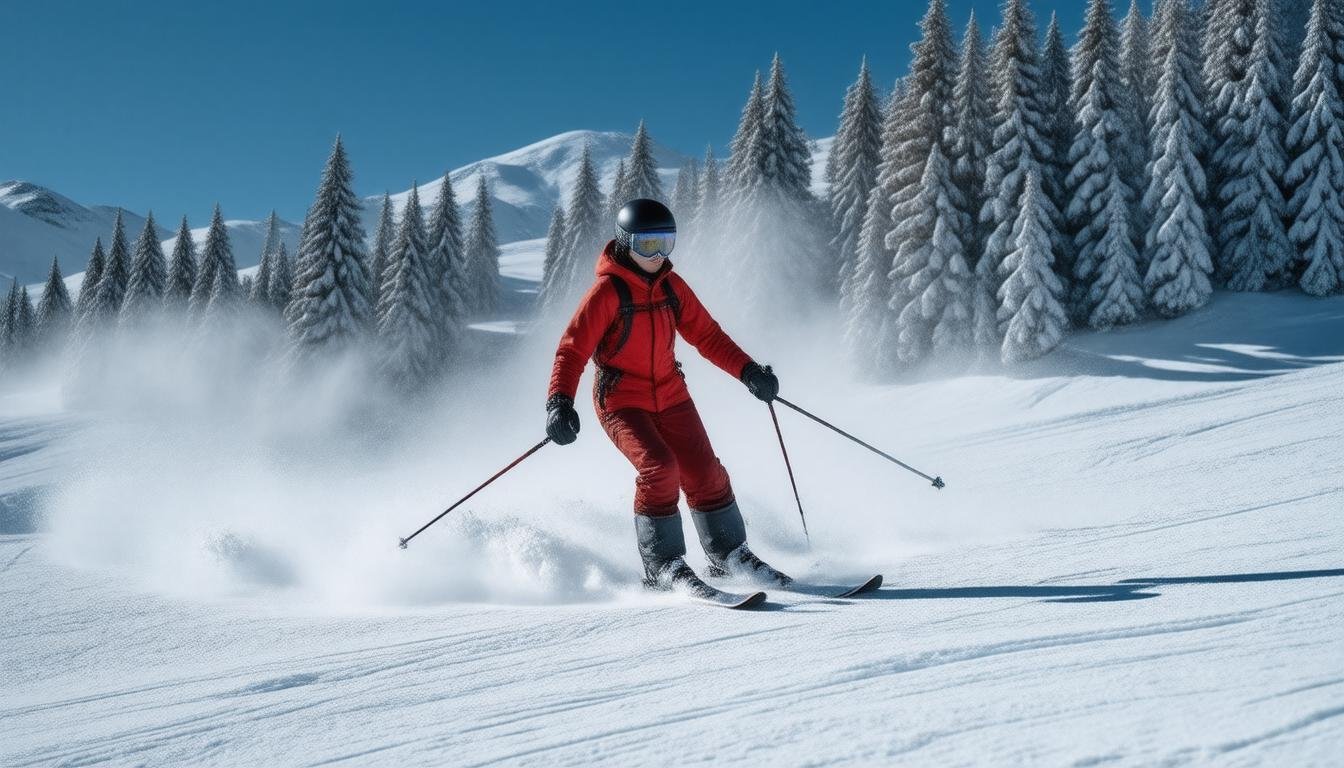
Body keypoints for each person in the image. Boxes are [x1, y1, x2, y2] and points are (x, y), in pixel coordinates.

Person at [545, 198, 789, 594]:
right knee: (659, 469)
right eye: (648, 245)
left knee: (705, 473)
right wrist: (559, 402)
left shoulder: (672, 287)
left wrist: (748, 371)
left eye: (666, 243)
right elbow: (572, 351)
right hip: (622, 402)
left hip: (671, 395)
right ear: (626, 243)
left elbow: (707, 336)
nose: (658, 254)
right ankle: (663, 565)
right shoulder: (607, 293)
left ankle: (729, 553)